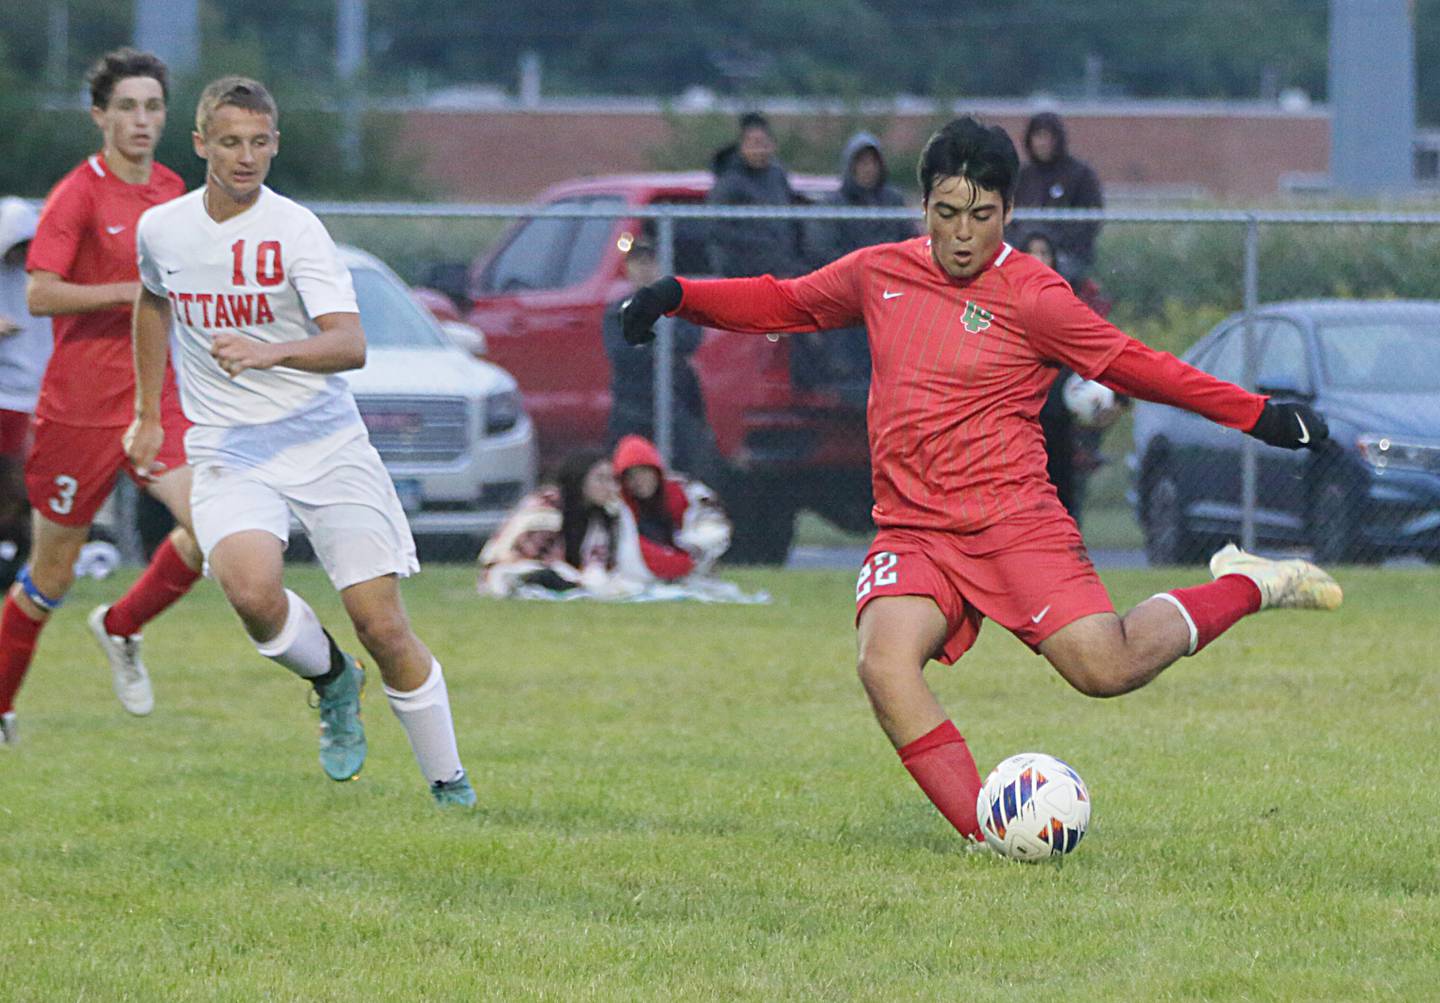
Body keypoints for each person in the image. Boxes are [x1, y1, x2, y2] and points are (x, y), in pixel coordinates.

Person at [621, 115, 1341, 845]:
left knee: (1107, 666)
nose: (963, 233)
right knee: (884, 664)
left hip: (1015, 521)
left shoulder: (1036, 296)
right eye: (947, 213)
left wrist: (1260, 416)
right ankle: (987, 834)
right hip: (916, 530)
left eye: (983, 215)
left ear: (1008, 211)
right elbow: (785, 300)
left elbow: (1135, 364)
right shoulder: (880, 273)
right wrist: (675, 294)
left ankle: (1250, 582)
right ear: (923, 205)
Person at [127, 75, 473, 806]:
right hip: (229, 445)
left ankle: (450, 784)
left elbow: (350, 344)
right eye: (229, 142)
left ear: (274, 143)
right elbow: (152, 300)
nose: (246, 156)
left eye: (259, 142)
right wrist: (148, 412)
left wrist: (271, 349)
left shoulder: (297, 229)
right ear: (200, 145)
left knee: (381, 624)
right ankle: (332, 680)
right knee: (251, 591)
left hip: (324, 441)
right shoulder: (163, 230)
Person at [0, 49, 204, 747]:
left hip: (156, 397)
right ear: (100, 116)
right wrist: (128, 292)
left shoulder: (176, 189)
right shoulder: (77, 195)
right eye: (127, 107)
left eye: (152, 107)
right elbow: (39, 292)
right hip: (77, 410)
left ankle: (122, 624)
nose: (141, 120)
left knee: (212, 527)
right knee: (50, 571)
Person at [1021, 229, 1125, 526]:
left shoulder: (1064, 302)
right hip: (1018, 421)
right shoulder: (1004, 302)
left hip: (1058, 421)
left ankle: (1068, 557)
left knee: (1063, 500)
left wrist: (1116, 400)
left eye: (1045, 253)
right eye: (1032, 252)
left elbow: (1098, 352)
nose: (1038, 259)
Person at [799, 132, 916, 392]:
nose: (868, 169)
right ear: (850, 167)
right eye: (861, 163)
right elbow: (822, 251)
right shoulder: (834, 205)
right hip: (850, 286)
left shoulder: (892, 201)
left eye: (872, 163)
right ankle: (849, 377)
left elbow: (911, 244)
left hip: (892, 286)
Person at [602, 232, 717, 480]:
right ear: (628, 268)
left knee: (688, 473)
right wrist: (661, 343)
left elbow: (689, 341)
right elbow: (622, 353)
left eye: (650, 262)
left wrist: (647, 341)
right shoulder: (617, 311)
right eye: (637, 263)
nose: (644, 269)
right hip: (632, 407)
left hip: (676, 405)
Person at [478, 449, 620, 597]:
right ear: (581, 478)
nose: (609, 487)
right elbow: (527, 555)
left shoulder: (599, 517)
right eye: (601, 479)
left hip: (563, 574)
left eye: (612, 480)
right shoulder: (547, 507)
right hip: (514, 567)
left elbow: (598, 563)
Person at [0, 198, 48, 592]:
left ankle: (34, 568)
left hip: (40, 396)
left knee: (31, 489)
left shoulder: (45, 276)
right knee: (11, 485)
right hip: (4, 396)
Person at [612, 433, 730, 582]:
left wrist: (685, 559)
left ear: (656, 471)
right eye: (631, 476)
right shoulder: (619, 506)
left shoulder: (688, 493)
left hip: (692, 570)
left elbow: (715, 533)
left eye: (643, 473)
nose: (638, 481)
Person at [706, 112, 808, 280]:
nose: (759, 150)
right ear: (742, 146)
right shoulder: (729, 182)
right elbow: (719, 229)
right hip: (742, 273)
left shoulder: (778, 176)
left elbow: (792, 218)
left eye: (764, 144)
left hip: (782, 271)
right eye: (754, 144)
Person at [1009, 111, 1104, 285]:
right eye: (1038, 136)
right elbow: (1008, 222)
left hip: (1066, 255)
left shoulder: (1080, 175)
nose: (1043, 143)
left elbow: (1090, 222)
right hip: (1023, 254)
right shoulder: (1021, 177)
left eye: (1048, 137)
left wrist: (1051, 246)